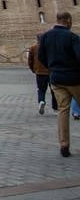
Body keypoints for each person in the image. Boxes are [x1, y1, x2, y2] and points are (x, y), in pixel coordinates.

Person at [38, 11, 80, 157]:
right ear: (67, 20)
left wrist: (52, 67)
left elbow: (40, 56)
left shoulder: (45, 37)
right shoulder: (72, 37)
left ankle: (64, 145)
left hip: (56, 78)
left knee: (63, 110)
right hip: (74, 78)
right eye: (71, 21)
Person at [27, 33, 54, 116]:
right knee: (53, 90)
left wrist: (33, 69)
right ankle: (55, 108)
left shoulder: (33, 48)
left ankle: (41, 101)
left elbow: (30, 61)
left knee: (41, 89)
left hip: (39, 72)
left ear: (37, 39)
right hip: (50, 72)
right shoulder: (50, 47)